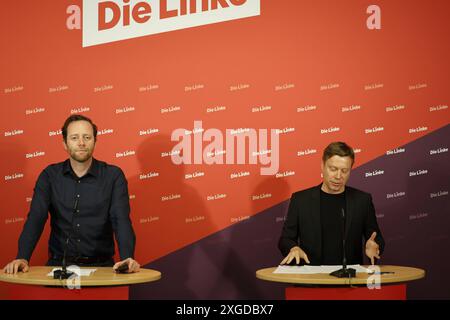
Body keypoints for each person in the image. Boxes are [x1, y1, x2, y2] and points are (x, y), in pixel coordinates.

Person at [3, 115, 140, 274]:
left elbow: (120, 219)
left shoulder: (113, 176)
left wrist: (127, 257)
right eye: (74, 138)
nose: (81, 143)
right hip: (58, 267)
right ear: (64, 143)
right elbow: (36, 218)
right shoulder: (49, 176)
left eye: (87, 137)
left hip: (102, 268)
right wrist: (22, 257)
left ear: (95, 141)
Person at [279, 141, 384, 266]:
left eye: (344, 170)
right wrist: (293, 248)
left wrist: (375, 245)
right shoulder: (300, 200)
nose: (338, 176)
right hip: (311, 279)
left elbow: (376, 238)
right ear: (322, 165)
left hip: (349, 280)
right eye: (333, 169)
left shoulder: (362, 200)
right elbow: (285, 239)